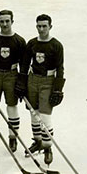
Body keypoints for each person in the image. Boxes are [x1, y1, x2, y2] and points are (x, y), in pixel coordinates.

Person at [0, 9, 27, 150]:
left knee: (12, 106)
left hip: (11, 75)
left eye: (7, 21)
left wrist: (21, 82)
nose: (4, 24)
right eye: (2, 21)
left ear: (12, 21)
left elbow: (24, 65)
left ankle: (13, 137)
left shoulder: (19, 41)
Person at [23, 14, 64, 163]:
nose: (41, 29)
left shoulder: (56, 45)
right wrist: (22, 84)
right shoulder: (32, 43)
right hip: (33, 79)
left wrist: (58, 89)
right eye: (39, 26)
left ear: (50, 27)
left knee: (45, 115)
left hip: (48, 81)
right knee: (34, 113)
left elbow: (60, 68)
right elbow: (25, 64)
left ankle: (47, 146)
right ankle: (38, 141)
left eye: (44, 26)